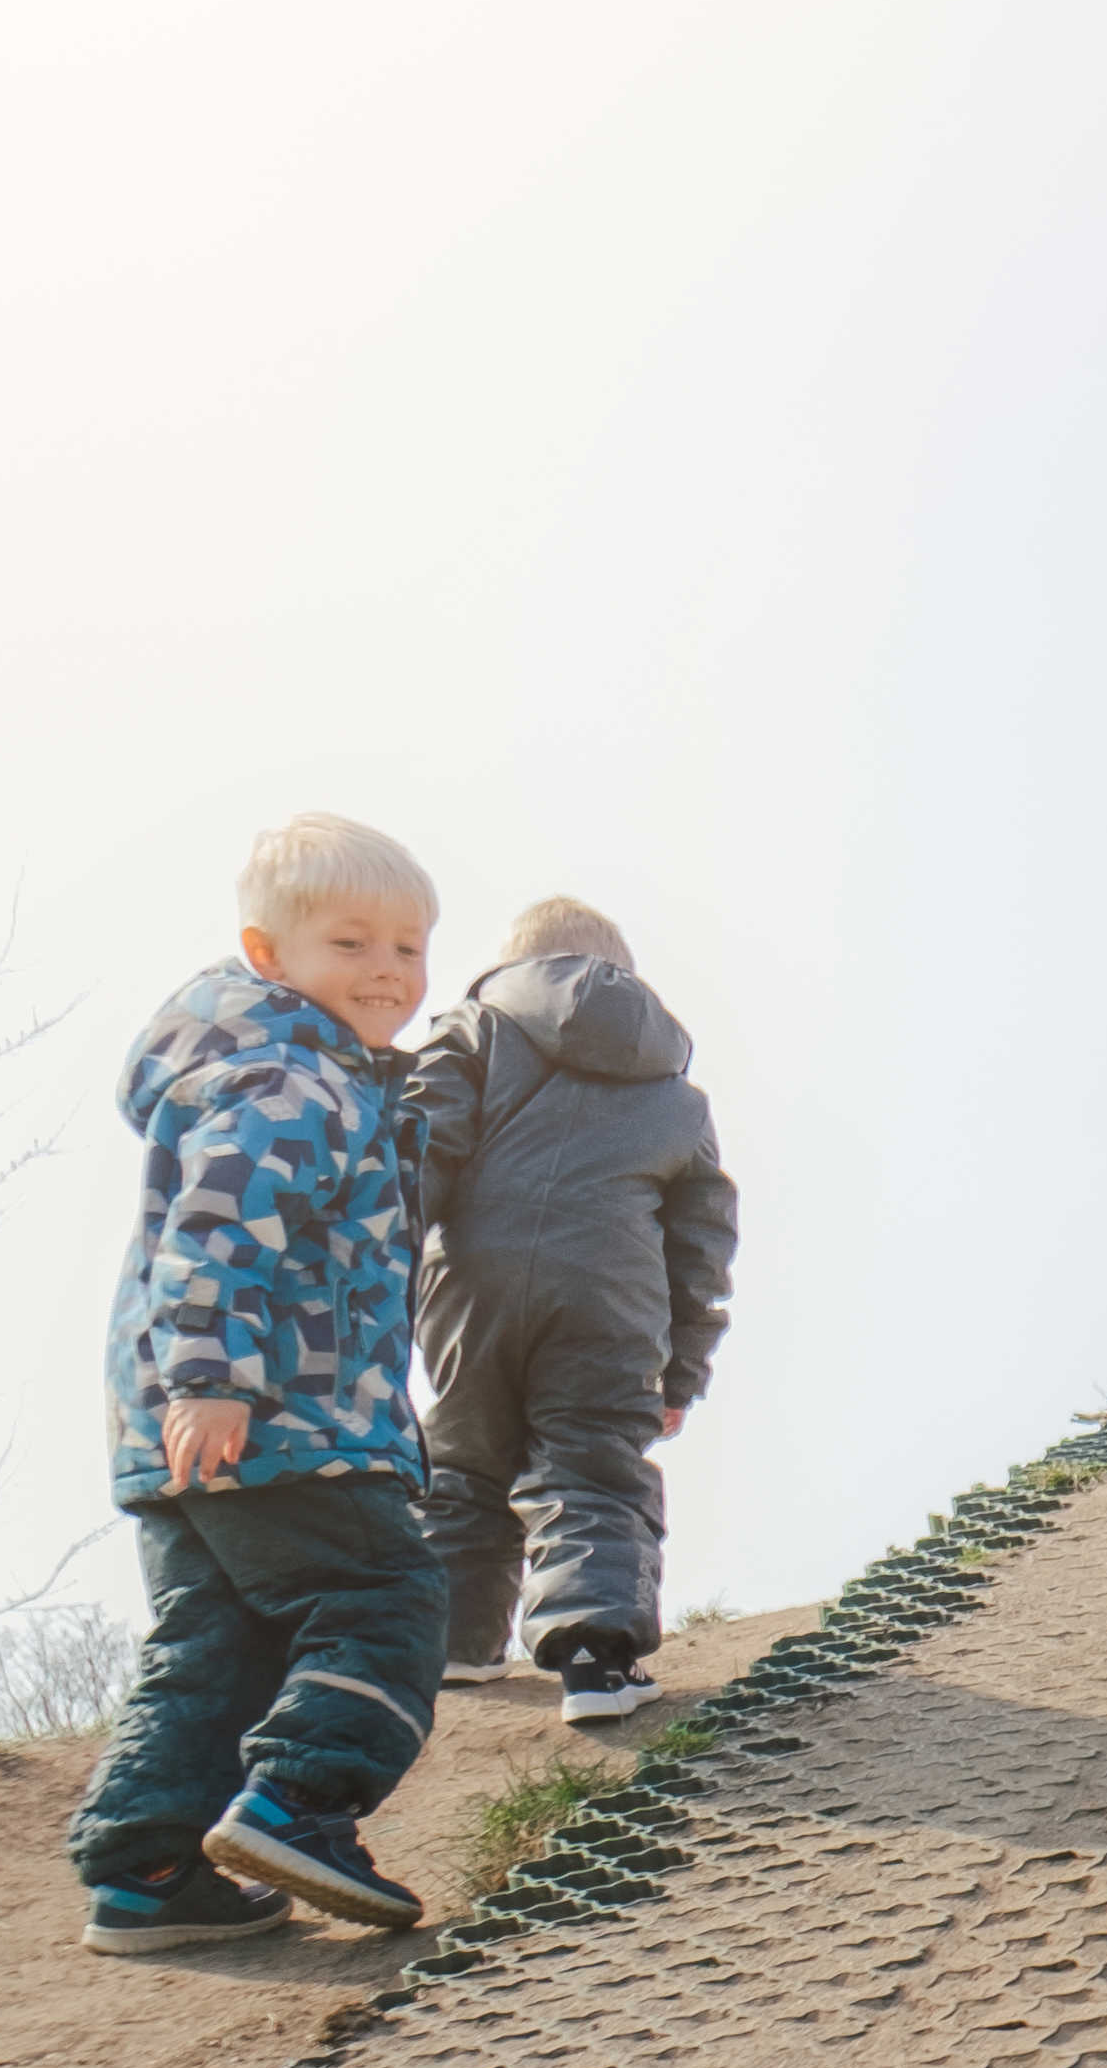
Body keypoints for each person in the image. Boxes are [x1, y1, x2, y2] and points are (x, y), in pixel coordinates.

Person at [67, 811, 452, 1951]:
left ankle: (149, 1870)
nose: (387, 970)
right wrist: (214, 1376)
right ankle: (301, 1804)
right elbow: (221, 1231)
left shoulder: (264, 1070)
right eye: (352, 943)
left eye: (409, 947)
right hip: (285, 1419)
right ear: (267, 953)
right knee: (384, 1600)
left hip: (180, 1429)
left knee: (216, 1643)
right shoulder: (295, 1079)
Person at [409, 894, 739, 1729]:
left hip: (469, 1288)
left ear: (513, 966)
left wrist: (376, 1269)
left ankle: (452, 1643)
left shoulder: (471, 1031)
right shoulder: (675, 1093)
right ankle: (594, 1660)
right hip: (609, 1302)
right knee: (589, 1464)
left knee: (466, 1459)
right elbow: (700, 1248)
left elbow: (420, 1152)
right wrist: (679, 1374)